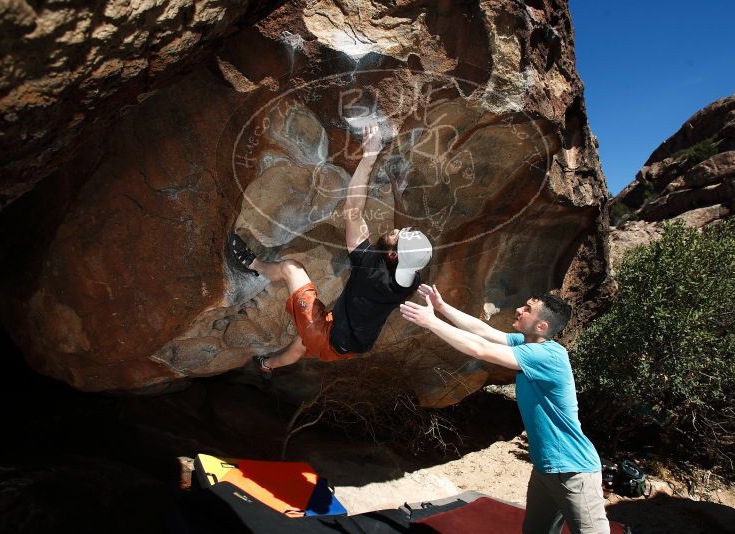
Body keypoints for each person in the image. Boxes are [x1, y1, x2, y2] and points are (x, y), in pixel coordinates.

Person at [400, 286, 608, 534]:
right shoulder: (528, 342)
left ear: (541, 326)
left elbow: (480, 349)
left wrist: (432, 323)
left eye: (528, 309)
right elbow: (483, 332)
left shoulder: (547, 356)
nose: (519, 309)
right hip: (546, 469)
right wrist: (441, 307)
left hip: (574, 472)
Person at [230, 123, 432, 377]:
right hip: (343, 347)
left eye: (395, 235)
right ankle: (266, 366)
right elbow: (402, 240)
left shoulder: (370, 271)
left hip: (326, 335)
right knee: (302, 344)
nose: (394, 230)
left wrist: (370, 156)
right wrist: (397, 194)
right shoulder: (409, 279)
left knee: (292, 269)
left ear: (392, 256)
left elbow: (353, 211)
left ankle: (252, 265)